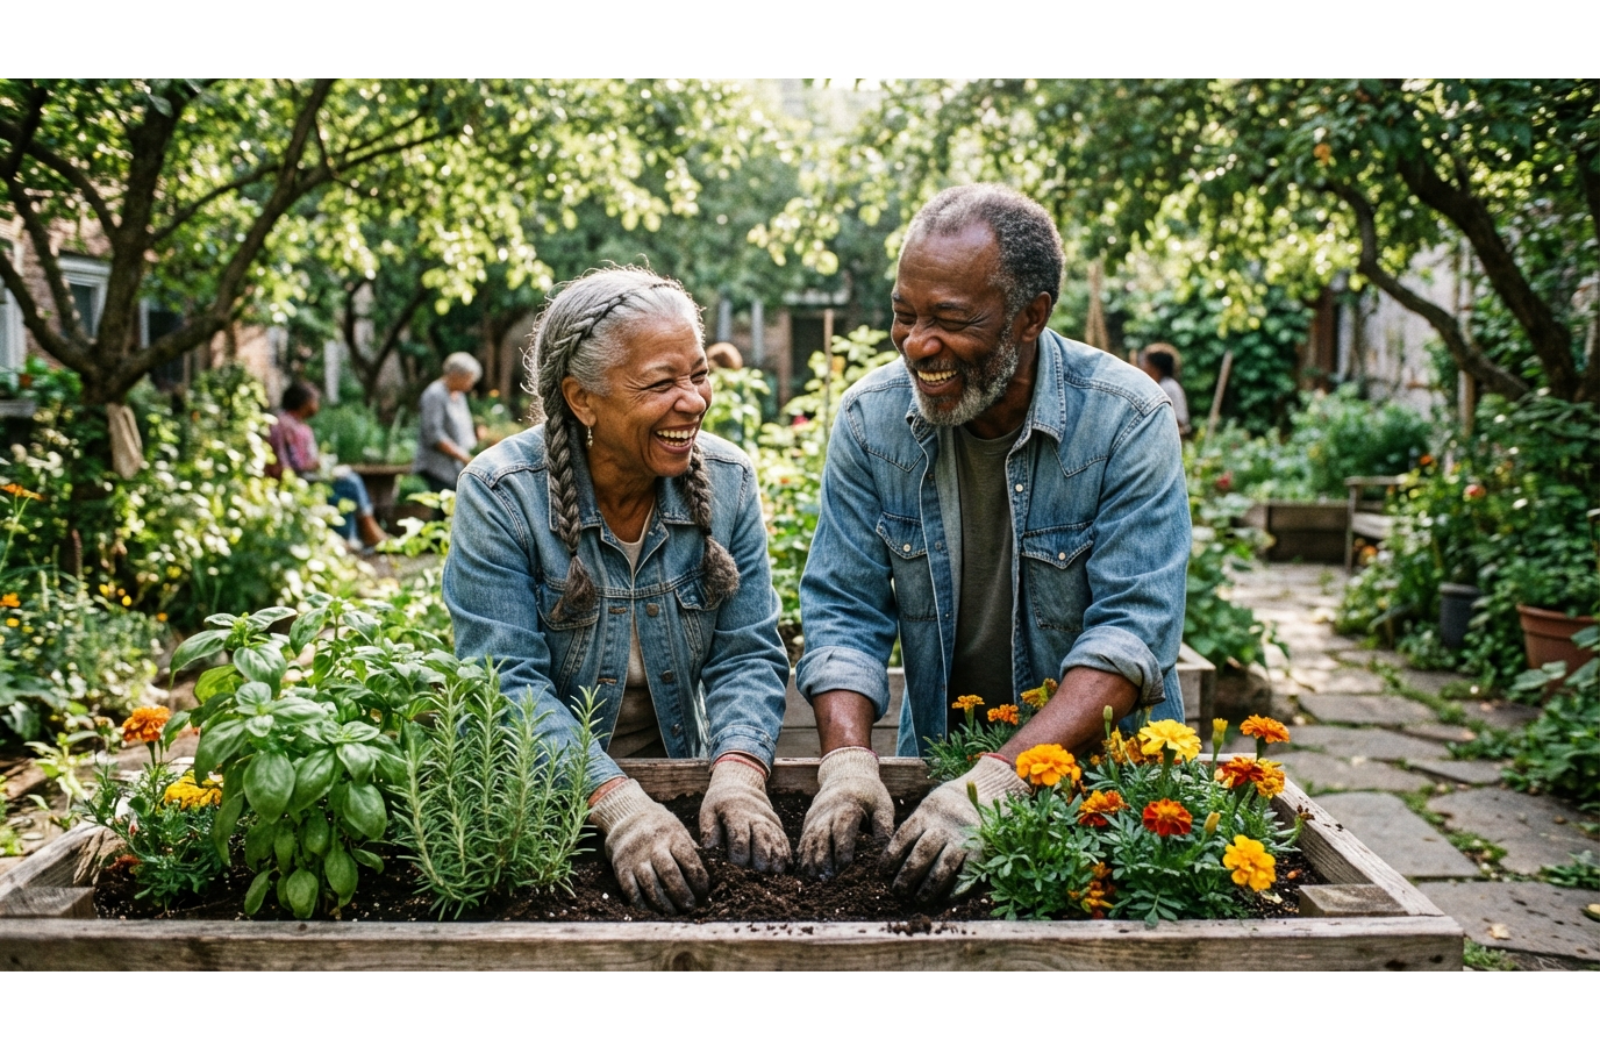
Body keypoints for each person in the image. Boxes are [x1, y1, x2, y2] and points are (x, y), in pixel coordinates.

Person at [794, 184, 1190, 900]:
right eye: (903, 315)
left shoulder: (1127, 419)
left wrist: (1003, 776)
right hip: (939, 772)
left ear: (1029, 316)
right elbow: (843, 611)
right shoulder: (869, 422)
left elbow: (1132, 634)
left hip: (1108, 789)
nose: (918, 344)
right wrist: (848, 761)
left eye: (949, 319)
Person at [442, 266, 792, 916]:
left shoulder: (729, 480)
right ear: (582, 399)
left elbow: (746, 653)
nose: (693, 400)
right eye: (661, 383)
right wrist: (620, 804)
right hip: (542, 807)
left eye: (698, 373)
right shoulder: (501, 496)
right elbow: (508, 682)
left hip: (679, 783)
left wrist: (739, 773)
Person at [266, 382, 387, 549]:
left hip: (306, 477)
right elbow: (289, 465)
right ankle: (364, 530)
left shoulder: (298, 425)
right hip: (297, 482)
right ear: (303, 402)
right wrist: (315, 465)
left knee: (349, 480)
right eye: (314, 400)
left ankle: (360, 533)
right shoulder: (285, 426)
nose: (317, 404)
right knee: (349, 484)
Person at [413, 352, 483, 492]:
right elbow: (434, 434)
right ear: (455, 375)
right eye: (469, 379)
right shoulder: (435, 394)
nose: (471, 385)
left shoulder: (459, 395)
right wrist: (461, 456)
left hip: (456, 468)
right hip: (437, 469)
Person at [1139, 343, 1191, 438]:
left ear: (1155, 367)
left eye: (1145, 362)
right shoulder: (1160, 385)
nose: (1142, 366)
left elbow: (1179, 422)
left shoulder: (1167, 387)